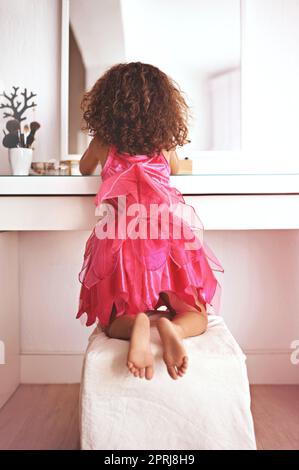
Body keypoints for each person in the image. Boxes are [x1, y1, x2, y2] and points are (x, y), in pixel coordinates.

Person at [76, 62, 224, 381]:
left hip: (121, 239)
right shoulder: (164, 143)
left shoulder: (103, 142)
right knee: (197, 314)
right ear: (163, 106)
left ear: (108, 104)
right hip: (166, 240)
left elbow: (84, 169)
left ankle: (138, 324)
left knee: (114, 321)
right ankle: (172, 327)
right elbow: (176, 170)